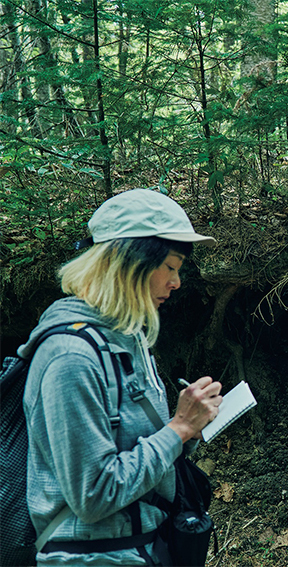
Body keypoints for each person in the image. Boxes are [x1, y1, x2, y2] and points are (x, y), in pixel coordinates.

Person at [19, 188, 223, 565]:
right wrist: (177, 429)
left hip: (143, 548)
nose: (177, 283)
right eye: (171, 267)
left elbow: (142, 448)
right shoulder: (70, 355)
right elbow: (94, 495)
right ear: (130, 262)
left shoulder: (130, 340)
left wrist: (189, 427)